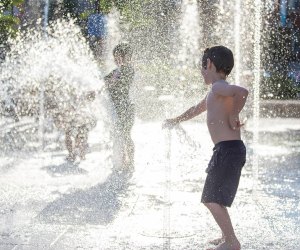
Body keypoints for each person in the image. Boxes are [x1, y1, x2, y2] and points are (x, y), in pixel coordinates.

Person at [163, 46, 248, 250]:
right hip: (228, 150)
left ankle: (232, 241)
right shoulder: (216, 92)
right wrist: (176, 120)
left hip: (228, 150)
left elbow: (243, 92)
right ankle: (226, 236)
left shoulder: (219, 88)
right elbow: (196, 109)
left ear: (209, 64)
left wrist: (234, 114)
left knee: (210, 198)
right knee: (216, 197)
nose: (201, 71)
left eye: (202, 67)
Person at [104, 43, 135, 171]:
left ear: (126, 56)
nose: (115, 59)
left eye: (117, 56)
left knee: (125, 135)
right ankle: (122, 162)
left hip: (126, 108)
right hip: (117, 109)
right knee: (119, 135)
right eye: (114, 56)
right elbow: (105, 82)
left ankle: (129, 162)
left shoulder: (127, 69)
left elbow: (113, 82)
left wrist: (111, 80)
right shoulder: (117, 71)